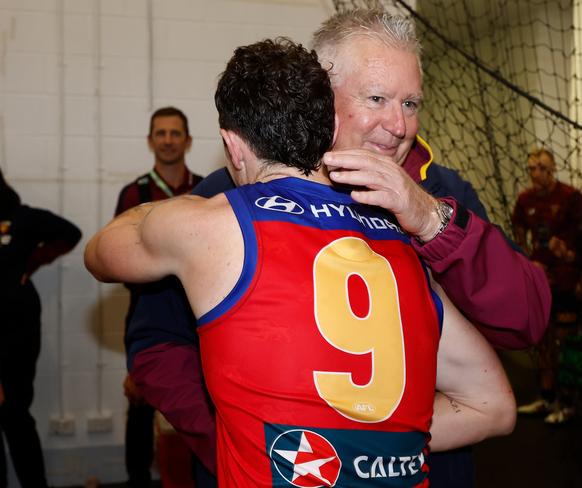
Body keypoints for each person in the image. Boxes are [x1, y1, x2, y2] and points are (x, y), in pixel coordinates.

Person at [126, 8, 550, 488]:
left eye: (411, 103)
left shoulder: (441, 195)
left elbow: (528, 317)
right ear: (322, 99)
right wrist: (246, 443)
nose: (398, 124)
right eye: (377, 98)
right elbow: (156, 344)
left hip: (423, 469)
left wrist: (432, 222)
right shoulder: (236, 197)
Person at [114, 106, 203, 488]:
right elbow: (120, 261)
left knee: (198, 416)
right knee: (140, 408)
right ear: (151, 141)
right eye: (161, 133)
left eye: (175, 133)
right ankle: (137, 480)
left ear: (188, 140)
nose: (168, 140)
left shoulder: (207, 189)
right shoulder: (133, 193)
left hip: (202, 321)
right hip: (148, 319)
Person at [0, 169, 82, 488]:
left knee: (14, 413)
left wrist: (34, 261)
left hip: (16, 325)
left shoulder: (20, 217)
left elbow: (70, 232)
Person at [512, 148, 582, 423]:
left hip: (567, 280)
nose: (537, 174)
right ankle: (547, 398)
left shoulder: (571, 198)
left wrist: (571, 257)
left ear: (554, 168)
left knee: (566, 342)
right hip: (539, 280)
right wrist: (527, 264)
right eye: (532, 168)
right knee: (543, 342)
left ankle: (569, 402)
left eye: (543, 168)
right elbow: (519, 235)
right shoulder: (525, 200)